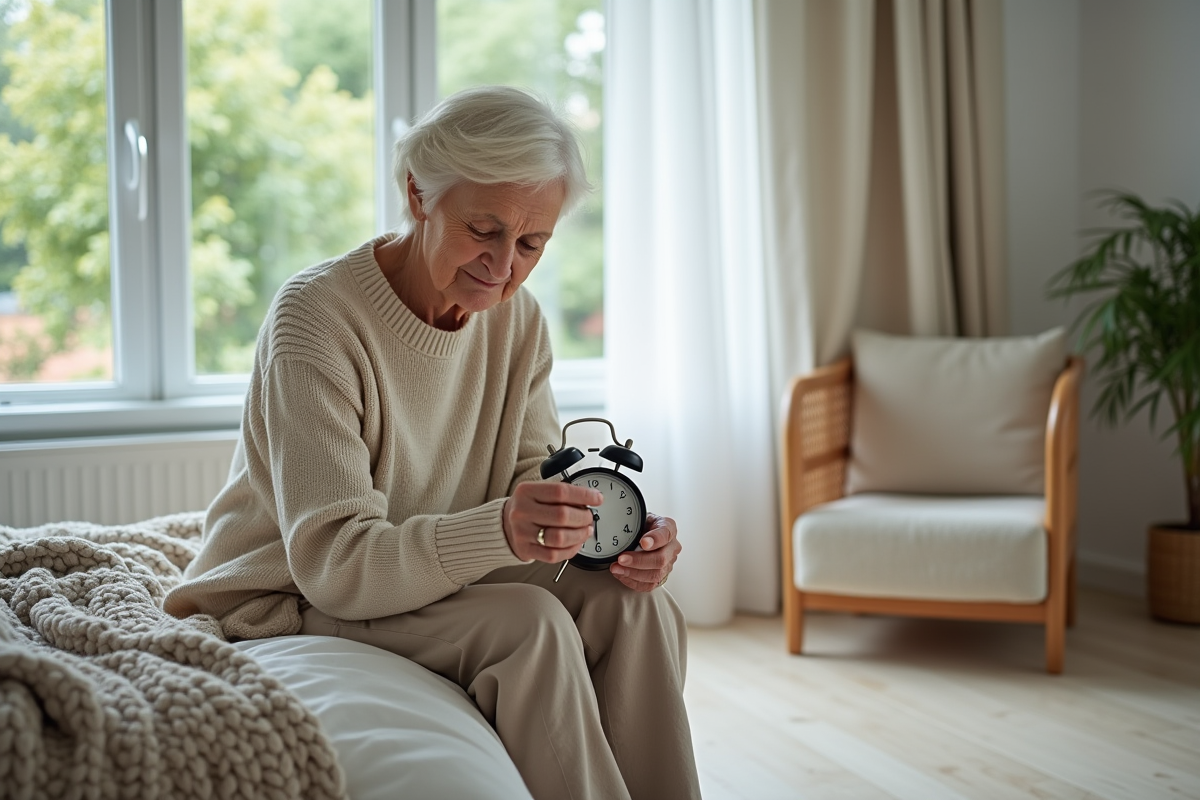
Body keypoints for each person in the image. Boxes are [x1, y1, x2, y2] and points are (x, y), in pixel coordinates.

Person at [164, 85, 702, 800]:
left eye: (531, 242)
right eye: (484, 230)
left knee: (633, 602)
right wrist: (505, 527)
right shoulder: (317, 319)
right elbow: (335, 564)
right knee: (529, 626)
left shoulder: (518, 321)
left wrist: (610, 536)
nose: (505, 264)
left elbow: (524, 473)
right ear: (420, 194)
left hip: (429, 572)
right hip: (297, 593)